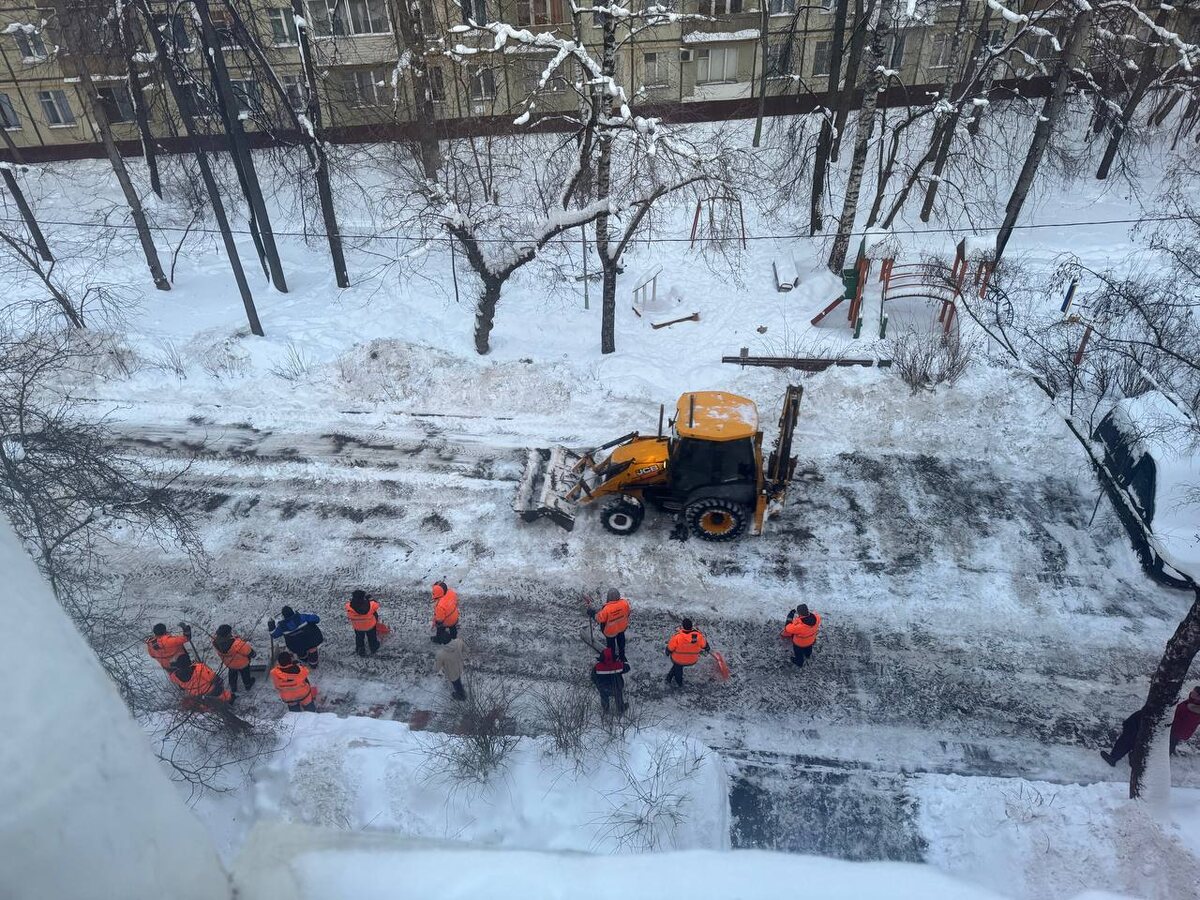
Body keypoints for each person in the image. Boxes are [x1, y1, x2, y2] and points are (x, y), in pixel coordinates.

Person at [1101, 686, 1200, 766]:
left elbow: (1182, 720)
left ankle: (1122, 758)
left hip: (1171, 730)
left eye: (1194, 692)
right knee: (1149, 742)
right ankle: (1134, 758)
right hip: (1169, 727)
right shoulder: (1191, 702)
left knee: (1137, 735)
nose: (1191, 692)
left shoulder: (1193, 707)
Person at [588, 589, 631, 662]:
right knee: (621, 640)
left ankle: (611, 657)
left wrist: (592, 613)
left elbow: (599, 619)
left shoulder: (606, 609)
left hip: (611, 631)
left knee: (611, 644)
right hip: (621, 628)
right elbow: (628, 613)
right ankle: (622, 656)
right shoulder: (625, 604)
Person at [211, 624, 256, 694]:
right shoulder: (236, 644)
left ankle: (233, 687)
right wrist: (253, 654)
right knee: (245, 674)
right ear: (228, 634)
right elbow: (247, 651)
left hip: (229, 663)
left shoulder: (215, 642)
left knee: (232, 674)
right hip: (242, 664)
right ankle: (248, 685)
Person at [665, 618, 708, 688]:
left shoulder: (677, 637)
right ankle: (668, 678)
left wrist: (667, 652)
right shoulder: (698, 636)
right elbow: (704, 645)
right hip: (692, 660)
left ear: (683, 626)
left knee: (678, 667)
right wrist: (707, 648)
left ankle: (679, 684)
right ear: (691, 626)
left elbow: (670, 648)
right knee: (676, 666)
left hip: (678, 660)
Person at [592, 647, 630, 715]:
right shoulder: (618, 665)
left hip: (603, 688)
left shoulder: (597, 667)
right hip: (616, 688)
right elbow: (628, 668)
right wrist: (621, 661)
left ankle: (606, 710)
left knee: (604, 697)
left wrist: (598, 685)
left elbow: (593, 677)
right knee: (618, 695)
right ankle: (620, 709)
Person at [345, 590, 382, 657]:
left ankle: (360, 649)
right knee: (372, 637)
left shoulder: (349, 606)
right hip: (370, 625)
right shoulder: (370, 605)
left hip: (358, 626)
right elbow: (377, 605)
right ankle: (373, 647)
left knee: (359, 637)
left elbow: (347, 607)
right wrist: (371, 599)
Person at [434, 634, 469, 701]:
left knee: (456, 683)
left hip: (451, 673)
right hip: (460, 666)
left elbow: (436, 668)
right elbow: (467, 650)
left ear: (442, 642)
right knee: (458, 679)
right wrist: (461, 657)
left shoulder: (441, 654)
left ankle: (461, 696)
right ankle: (460, 690)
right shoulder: (459, 641)